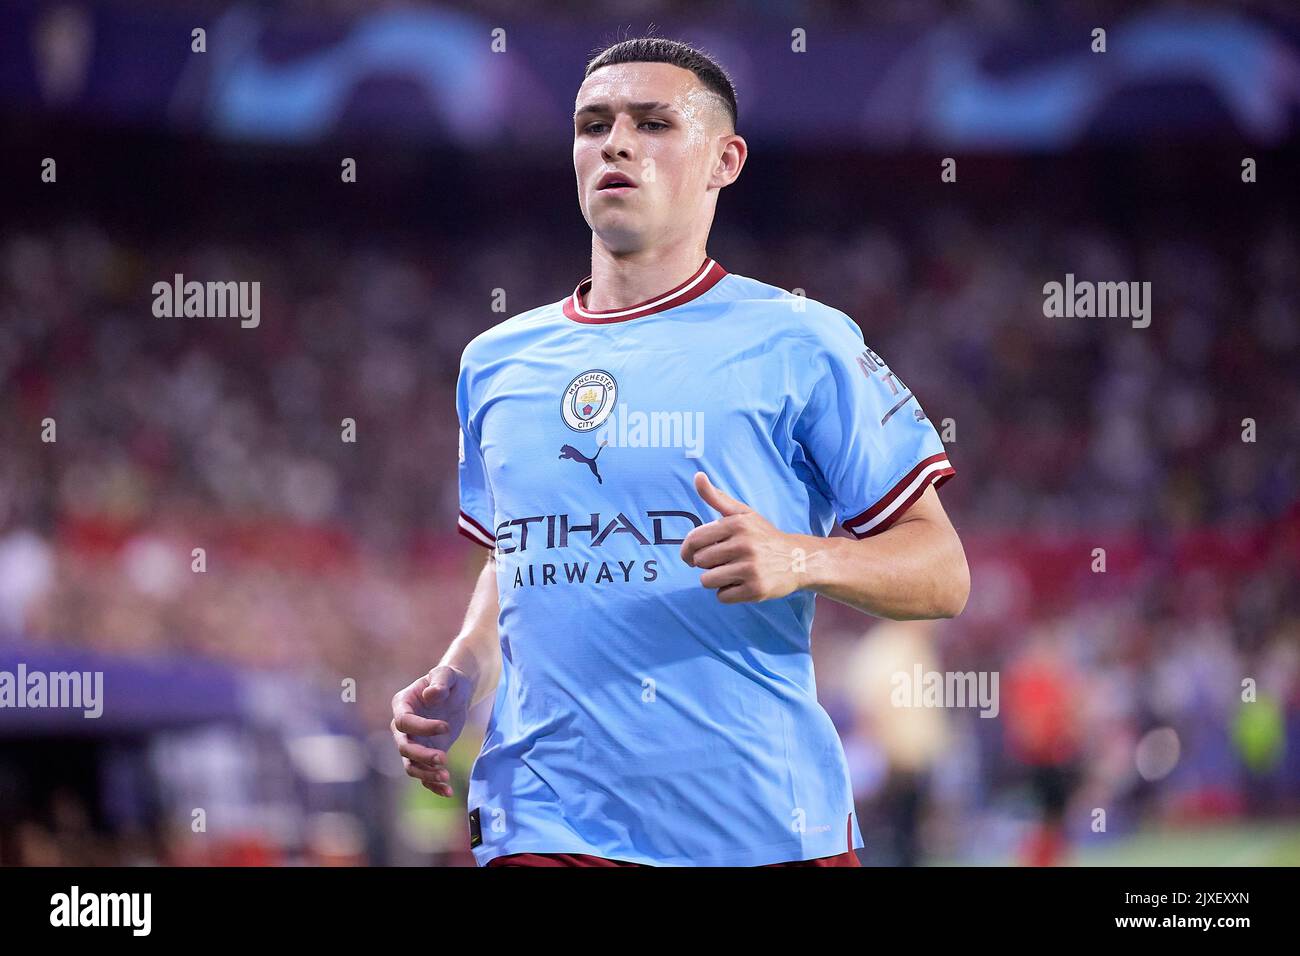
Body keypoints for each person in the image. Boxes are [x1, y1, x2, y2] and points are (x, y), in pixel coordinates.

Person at [391, 37, 968, 867]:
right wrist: (463, 668)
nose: (615, 143)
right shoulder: (493, 362)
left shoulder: (802, 341)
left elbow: (943, 572)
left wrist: (801, 557)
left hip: (761, 824)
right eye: (594, 125)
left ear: (723, 161)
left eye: (653, 123)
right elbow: (517, 555)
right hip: (545, 819)